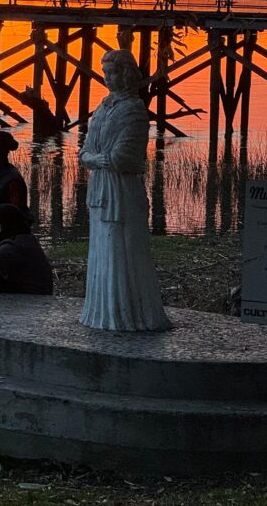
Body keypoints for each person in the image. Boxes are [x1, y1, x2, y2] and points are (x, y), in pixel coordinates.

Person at [78, 50, 171, 331]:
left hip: (122, 191)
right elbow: (84, 153)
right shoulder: (104, 107)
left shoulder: (133, 109)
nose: (108, 78)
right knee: (102, 249)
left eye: (113, 72)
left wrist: (98, 158)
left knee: (123, 249)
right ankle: (101, 312)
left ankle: (127, 315)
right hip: (101, 188)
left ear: (127, 74)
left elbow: (124, 157)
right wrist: (99, 159)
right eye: (105, 72)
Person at [0, 203, 54, 295]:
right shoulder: (26, 239)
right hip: (39, 291)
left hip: (33, 295)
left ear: (0, 226)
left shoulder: (14, 246)